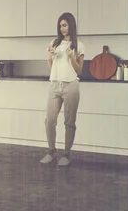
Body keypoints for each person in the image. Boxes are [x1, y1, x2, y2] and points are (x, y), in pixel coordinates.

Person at [40, 12, 85, 167]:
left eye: (65, 25)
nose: (62, 28)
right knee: (49, 121)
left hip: (70, 85)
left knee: (69, 122)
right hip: (54, 85)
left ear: (71, 25)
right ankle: (52, 152)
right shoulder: (54, 43)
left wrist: (71, 57)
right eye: (60, 25)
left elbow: (79, 70)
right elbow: (52, 68)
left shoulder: (78, 45)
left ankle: (66, 154)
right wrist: (49, 57)